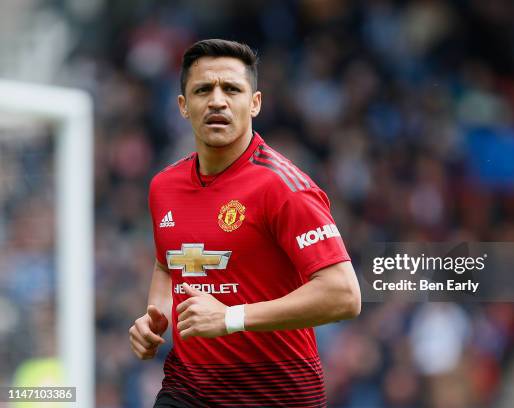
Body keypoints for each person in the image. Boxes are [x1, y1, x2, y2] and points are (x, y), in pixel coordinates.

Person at [128, 38, 361, 407]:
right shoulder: (163, 187)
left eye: (231, 89)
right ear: (183, 107)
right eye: (203, 89)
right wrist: (155, 317)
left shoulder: (284, 187)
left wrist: (231, 318)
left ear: (254, 103)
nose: (217, 100)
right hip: (188, 389)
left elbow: (344, 295)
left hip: (277, 394)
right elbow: (167, 263)